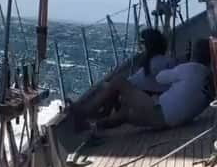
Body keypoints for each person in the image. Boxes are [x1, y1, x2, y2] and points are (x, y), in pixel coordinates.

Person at [75, 38, 213, 131]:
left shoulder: (189, 68)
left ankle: (85, 112)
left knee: (118, 81)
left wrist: (177, 68)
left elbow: (160, 78)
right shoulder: (211, 78)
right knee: (125, 114)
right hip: (168, 123)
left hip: (159, 111)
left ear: (195, 52)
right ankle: (90, 126)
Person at [127, 28, 175, 93]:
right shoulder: (170, 62)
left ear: (147, 45)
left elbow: (132, 82)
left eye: (142, 42)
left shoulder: (149, 65)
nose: (140, 44)